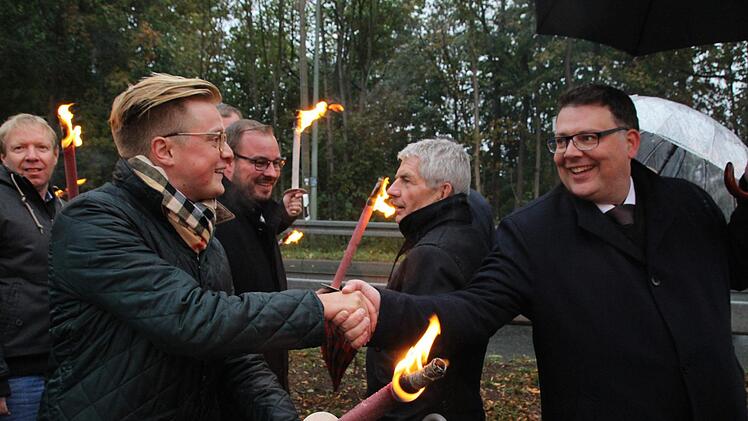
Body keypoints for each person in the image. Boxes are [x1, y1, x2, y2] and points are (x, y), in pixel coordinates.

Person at [346, 84, 748, 420]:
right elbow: (471, 309)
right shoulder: (532, 233)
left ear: (630, 142)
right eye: (561, 140)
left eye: (588, 138)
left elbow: (738, 269)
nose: (570, 152)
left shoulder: (690, 205)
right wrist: (384, 309)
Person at [38, 73, 374, 421]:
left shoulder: (201, 233)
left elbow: (234, 355)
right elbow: (191, 318)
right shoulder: (94, 220)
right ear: (164, 150)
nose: (227, 154)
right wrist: (319, 308)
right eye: (215, 140)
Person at [367, 138, 492, 420]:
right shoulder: (463, 229)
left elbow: (418, 370)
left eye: (407, 181)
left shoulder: (433, 256)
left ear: (442, 192)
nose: (391, 191)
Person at [215, 119, 304, 391]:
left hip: (268, 375)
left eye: (277, 163)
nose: (272, 173)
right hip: (240, 386)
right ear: (228, 161)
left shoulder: (258, 213)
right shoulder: (217, 222)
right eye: (260, 163)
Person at [0, 114, 62, 420]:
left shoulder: (61, 209)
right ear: (3, 156)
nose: (32, 157)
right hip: (16, 374)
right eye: (19, 148)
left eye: (41, 147)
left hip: (61, 364)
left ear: (55, 155)